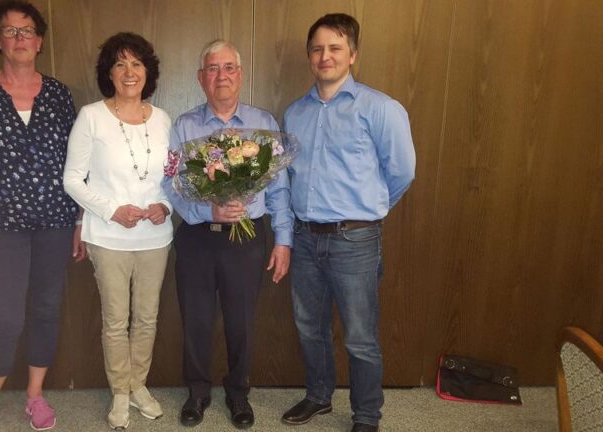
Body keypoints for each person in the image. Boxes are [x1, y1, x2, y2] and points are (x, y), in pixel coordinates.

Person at [0, 1, 85, 431]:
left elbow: (78, 167)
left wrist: (80, 224)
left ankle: (35, 397)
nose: (20, 39)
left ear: (39, 41)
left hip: (55, 223)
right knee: (6, 315)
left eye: (27, 31)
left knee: (46, 309)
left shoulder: (60, 95)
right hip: (2, 226)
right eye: (10, 32)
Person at [281, 13, 416, 432]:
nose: (326, 56)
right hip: (305, 238)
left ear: (352, 54)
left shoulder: (381, 108)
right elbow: (288, 177)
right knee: (309, 327)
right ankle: (320, 397)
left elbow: (402, 172)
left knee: (360, 337)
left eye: (335, 48)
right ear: (309, 56)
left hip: (354, 241)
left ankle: (366, 416)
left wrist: (367, 211)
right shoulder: (294, 114)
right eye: (318, 49)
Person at [162, 39, 293, 430]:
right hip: (197, 238)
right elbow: (171, 185)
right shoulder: (184, 125)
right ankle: (197, 392)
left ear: (240, 74)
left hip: (246, 240)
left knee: (241, 322)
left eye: (229, 68)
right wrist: (208, 208)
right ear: (201, 78)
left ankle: (238, 394)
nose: (222, 76)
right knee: (196, 320)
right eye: (213, 69)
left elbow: (280, 187)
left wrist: (283, 240)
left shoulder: (264, 124)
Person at [63, 32, 172, 430]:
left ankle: (139, 384)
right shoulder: (91, 116)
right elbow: (73, 179)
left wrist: (166, 205)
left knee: (146, 318)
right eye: (120, 64)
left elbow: (173, 179)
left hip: (155, 238)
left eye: (137, 64)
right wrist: (112, 210)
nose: (129, 72)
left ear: (148, 72)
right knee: (115, 319)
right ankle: (121, 393)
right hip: (108, 237)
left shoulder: (162, 119)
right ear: (109, 72)